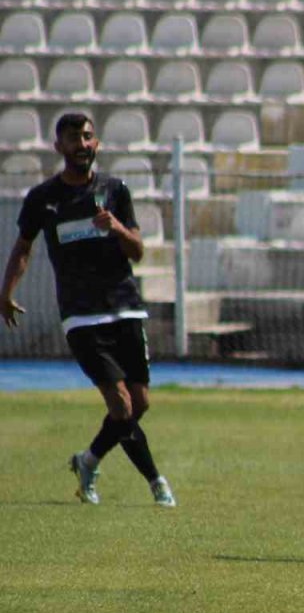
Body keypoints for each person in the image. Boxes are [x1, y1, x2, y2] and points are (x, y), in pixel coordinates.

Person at [1, 112, 175, 507]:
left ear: (96, 144)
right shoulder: (43, 199)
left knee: (140, 403)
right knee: (121, 404)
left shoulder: (116, 191)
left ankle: (88, 460)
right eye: (73, 138)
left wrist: (116, 228)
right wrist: (5, 292)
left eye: (88, 137)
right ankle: (157, 482)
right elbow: (23, 248)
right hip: (81, 316)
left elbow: (138, 251)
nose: (82, 144)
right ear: (58, 146)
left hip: (126, 308)